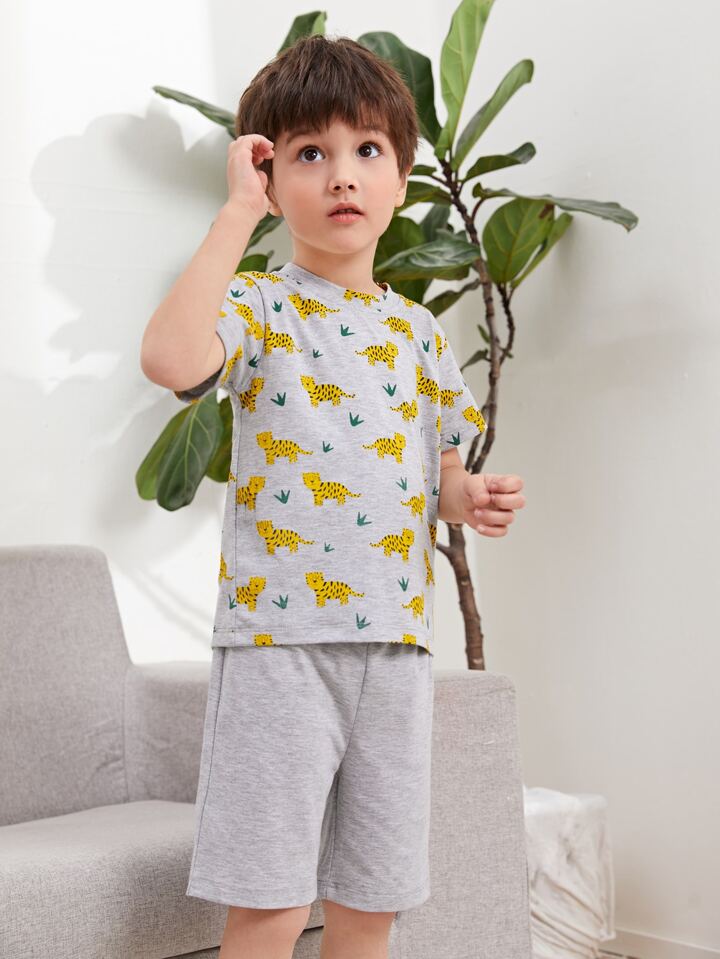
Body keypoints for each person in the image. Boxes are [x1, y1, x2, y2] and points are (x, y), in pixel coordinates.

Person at [141, 32, 525, 959]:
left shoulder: (421, 334)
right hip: (281, 648)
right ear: (271, 180)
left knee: (372, 903)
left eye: (368, 150)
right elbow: (171, 359)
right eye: (309, 153)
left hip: (395, 649)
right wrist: (236, 214)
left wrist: (468, 495)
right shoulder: (260, 307)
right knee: (270, 901)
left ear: (402, 179)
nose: (342, 174)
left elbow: (433, 476)